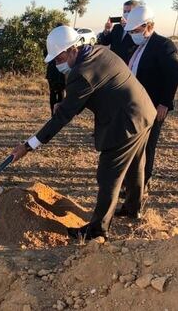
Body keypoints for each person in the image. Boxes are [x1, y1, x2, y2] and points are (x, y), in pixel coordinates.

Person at [11, 26, 156, 240]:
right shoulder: (98, 51)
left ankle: (98, 230)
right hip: (143, 111)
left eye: (59, 57)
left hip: (125, 122)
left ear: (72, 50)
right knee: (136, 164)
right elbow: (93, 91)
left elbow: (62, 117)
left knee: (109, 175)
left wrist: (28, 145)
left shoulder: (81, 73)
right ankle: (133, 209)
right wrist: (69, 104)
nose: (57, 63)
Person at [116, 5, 178, 215]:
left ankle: (141, 189)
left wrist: (164, 103)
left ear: (149, 26)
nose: (133, 34)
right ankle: (131, 188)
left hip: (153, 107)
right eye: (131, 31)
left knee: (146, 150)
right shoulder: (133, 45)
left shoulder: (164, 45)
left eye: (136, 31)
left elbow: (172, 76)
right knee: (131, 148)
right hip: (131, 107)